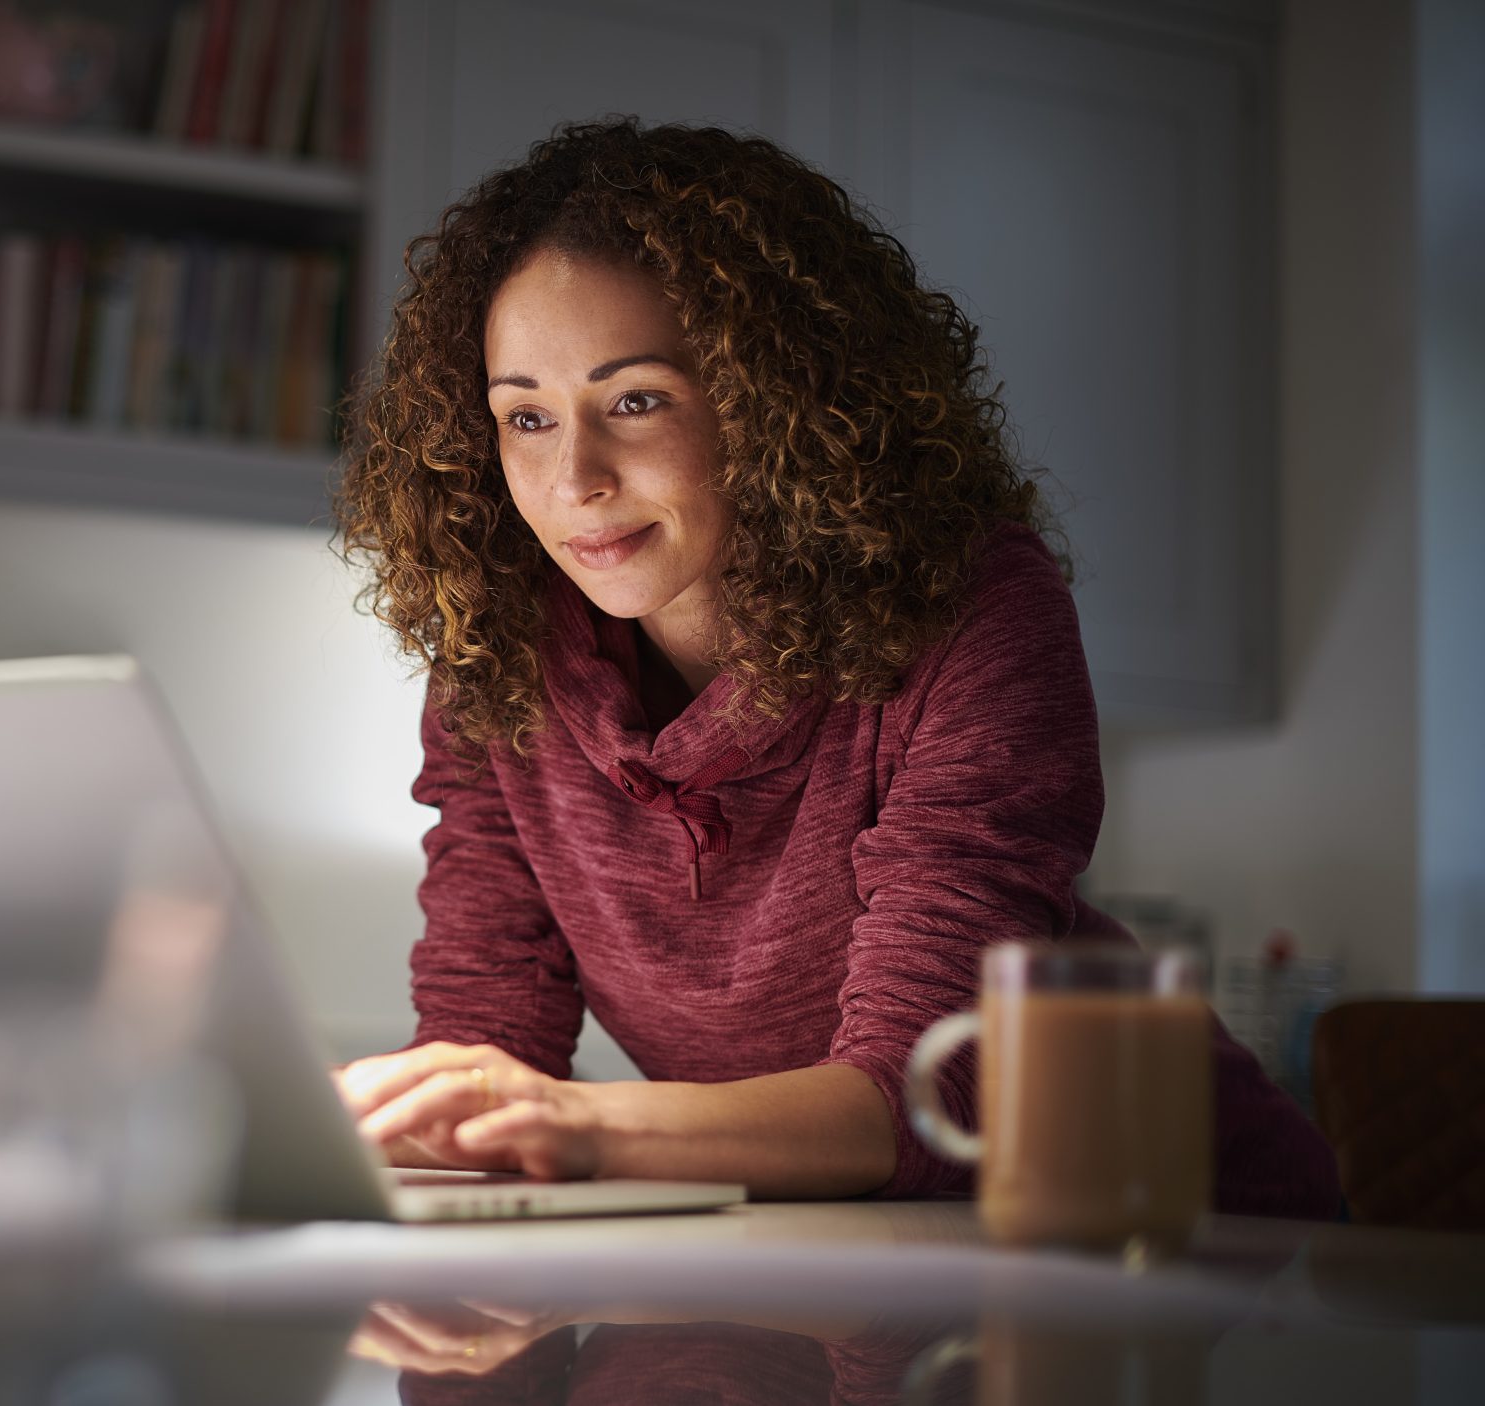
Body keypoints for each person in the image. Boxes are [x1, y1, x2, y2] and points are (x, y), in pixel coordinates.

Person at [328, 118, 1339, 1216]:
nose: (572, 476)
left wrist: (574, 1124)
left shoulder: (968, 605)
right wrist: (370, 1122)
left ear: (778, 400)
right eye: (524, 416)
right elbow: (484, 1042)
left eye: (635, 400)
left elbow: (914, 1100)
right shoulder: (499, 650)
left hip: (1200, 1242)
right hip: (865, 1258)